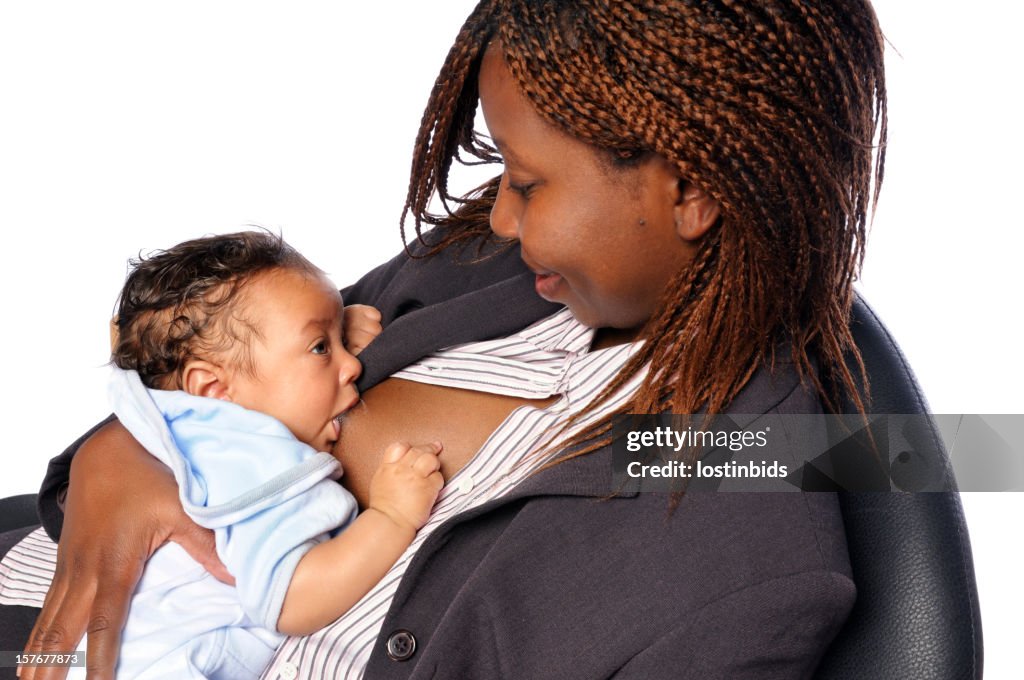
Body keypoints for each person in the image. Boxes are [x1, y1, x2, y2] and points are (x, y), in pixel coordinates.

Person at [2, 1, 887, 678]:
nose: (497, 213)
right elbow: (225, 362)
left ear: (690, 190)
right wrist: (118, 457)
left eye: (529, 182)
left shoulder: (740, 498)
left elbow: (922, 459)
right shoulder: (498, 274)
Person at [70, 231, 443, 678]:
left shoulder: (178, 422)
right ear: (213, 389)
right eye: (322, 348)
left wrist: (329, 328)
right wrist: (392, 517)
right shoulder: (251, 455)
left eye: (340, 341)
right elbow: (291, 600)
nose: (354, 366)